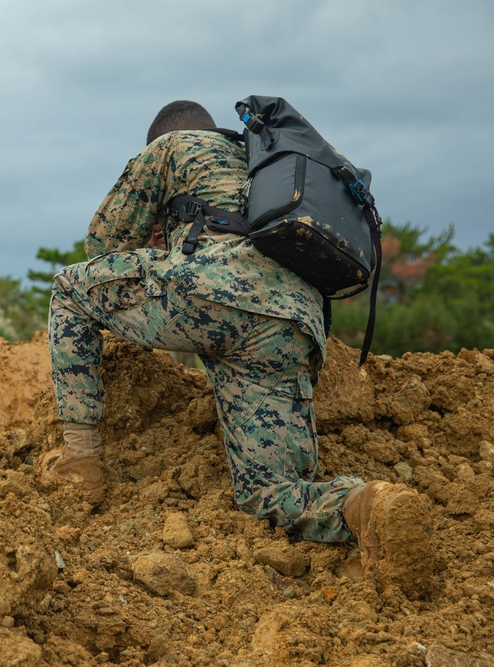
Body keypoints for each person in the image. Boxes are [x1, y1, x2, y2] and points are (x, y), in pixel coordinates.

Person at [42, 100, 435, 594]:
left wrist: (158, 238)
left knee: (68, 290)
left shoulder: (172, 146)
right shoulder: (262, 162)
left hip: (213, 295)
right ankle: (364, 505)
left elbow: (104, 246)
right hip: (292, 325)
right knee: (268, 491)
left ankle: (80, 463)